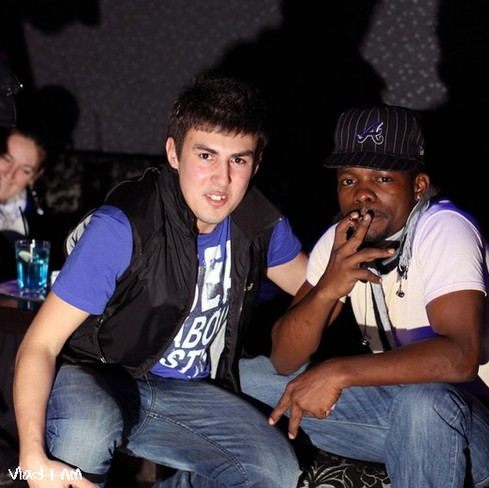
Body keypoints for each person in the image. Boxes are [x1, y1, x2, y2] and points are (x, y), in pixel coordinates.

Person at [13, 74, 307, 488]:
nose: (221, 180)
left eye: (238, 160)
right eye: (206, 155)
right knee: (83, 436)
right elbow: (40, 344)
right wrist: (30, 456)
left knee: (275, 472)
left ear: (255, 164)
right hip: (101, 377)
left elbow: (313, 287)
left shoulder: (260, 223)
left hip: (189, 393)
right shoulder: (124, 226)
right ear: (174, 152)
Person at [240, 104, 489, 487]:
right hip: (398, 410)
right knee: (243, 378)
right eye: (349, 180)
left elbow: (460, 357)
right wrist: (327, 288)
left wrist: (338, 372)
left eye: (382, 178)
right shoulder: (340, 239)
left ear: (418, 186)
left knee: (424, 402)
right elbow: (284, 359)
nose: (362, 194)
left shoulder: (445, 228)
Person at [0, 126, 47, 280]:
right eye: (6, 159)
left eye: (25, 170)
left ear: (34, 177)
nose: (9, 174)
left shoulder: (39, 221)